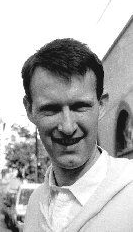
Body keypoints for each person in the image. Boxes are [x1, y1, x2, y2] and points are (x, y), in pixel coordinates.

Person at [21, 38, 133, 232]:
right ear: (30, 110)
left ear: (102, 106)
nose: (67, 127)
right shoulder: (35, 203)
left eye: (80, 107)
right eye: (51, 109)